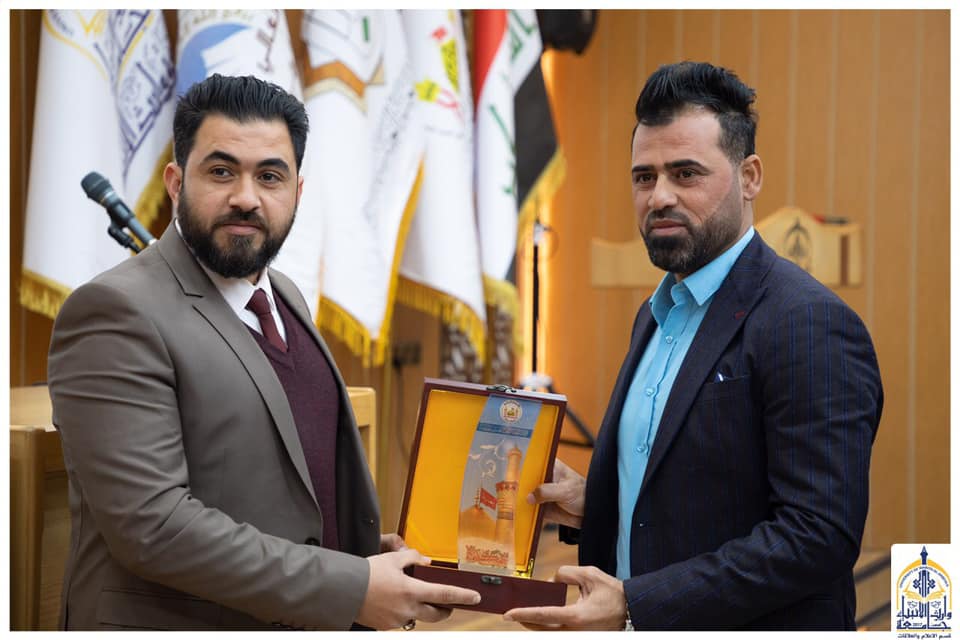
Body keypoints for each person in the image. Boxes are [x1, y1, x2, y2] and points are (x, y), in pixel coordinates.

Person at [47, 74, 480, 631]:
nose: (246, 197)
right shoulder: (114, 310)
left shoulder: (285, 297)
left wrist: (358, 559)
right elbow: (152, 526)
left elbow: (284, 483)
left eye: (269, 176)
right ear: (176, 183)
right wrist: (351, 587)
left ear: (297, 192)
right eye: (221, 171)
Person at [503, 61, 883, 630]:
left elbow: (816, 536)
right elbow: (697, 491)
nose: (659, 197)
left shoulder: (808, 322)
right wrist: (602, 500)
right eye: (643, 177)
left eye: (685, 174)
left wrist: (636, 603)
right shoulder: (654, 315)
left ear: (749, 176)